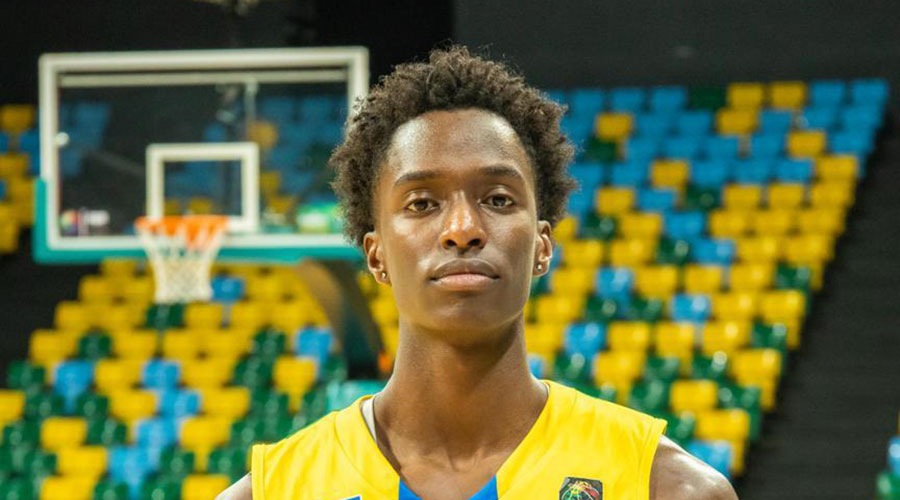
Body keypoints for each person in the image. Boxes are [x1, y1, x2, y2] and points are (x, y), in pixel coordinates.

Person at [219, 45, 739, 500]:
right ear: (376, 255)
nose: (463, 229)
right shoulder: (276, 491)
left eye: (498, 199)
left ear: (542, 246)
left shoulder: (664, 488)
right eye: (422, 203)